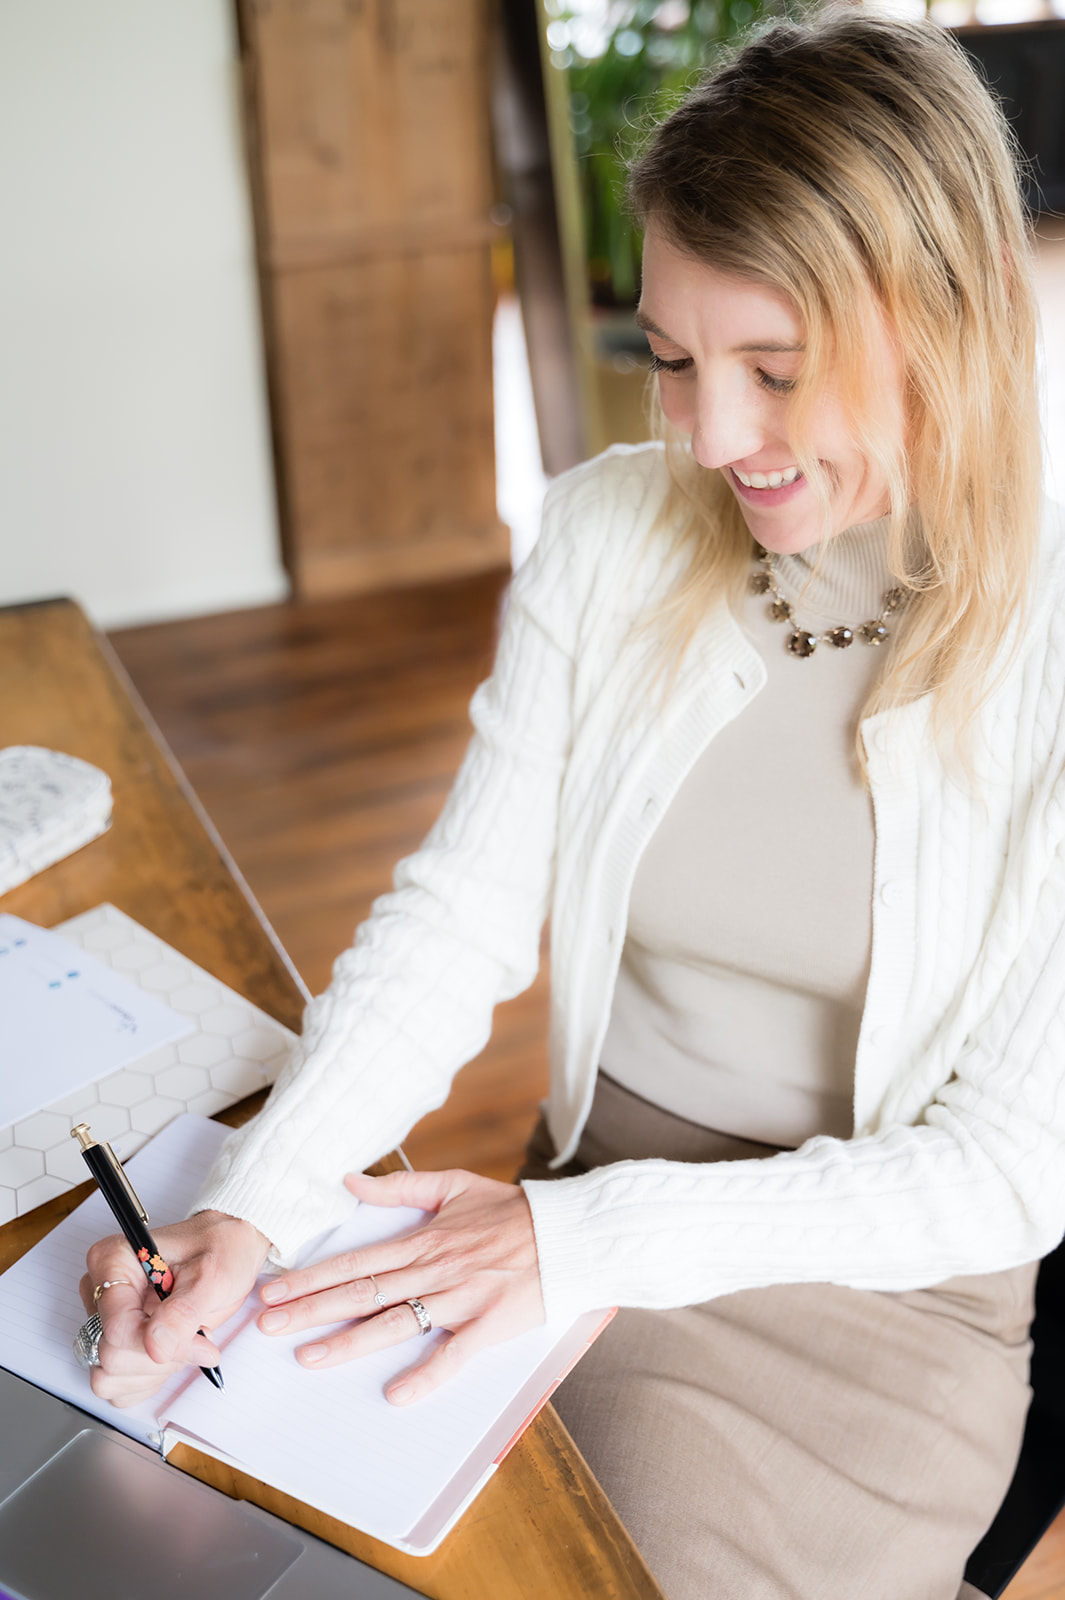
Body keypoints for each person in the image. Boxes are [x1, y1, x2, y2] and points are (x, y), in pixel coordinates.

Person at [80, 11, 1065, 1598]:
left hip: (870, 1303)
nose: (706, 435)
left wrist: (576, 1241)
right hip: (575, 1198)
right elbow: (458, 916)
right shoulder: (614, 535)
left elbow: (1008, 1169)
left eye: (773, 371)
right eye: (669, 359)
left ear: (940, 323)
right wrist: (259, 1204)